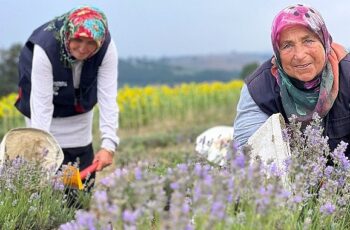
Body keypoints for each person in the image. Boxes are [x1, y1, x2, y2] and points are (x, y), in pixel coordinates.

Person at [15, 5, 119, 189]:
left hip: (78, 110)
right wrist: (40, 148)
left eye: (91, 43)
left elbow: (108, 97)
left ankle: (78, 212)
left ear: (99, 41)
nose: (83, 48)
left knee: (79, 181)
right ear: (68, 35)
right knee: (46, 176)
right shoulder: (45, 48)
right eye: (78, 40)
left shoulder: (106, 48)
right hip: (43, 110)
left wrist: (108, 145)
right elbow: (42, 104)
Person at [233, 4, 350, 157]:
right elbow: (249, 159)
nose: (300, 55)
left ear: (324, 41)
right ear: (277, 51)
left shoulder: (347, 74)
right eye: (287, 45)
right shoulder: (258, 90)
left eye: (308, 40)